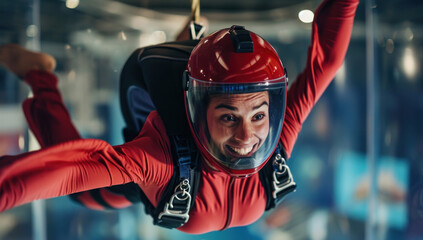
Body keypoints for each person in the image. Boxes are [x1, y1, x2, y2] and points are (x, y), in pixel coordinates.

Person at [0, 0, 359, 234]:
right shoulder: (160, 159)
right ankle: (40, 75)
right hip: (163, 141)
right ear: (200, 112)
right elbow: (72, 167)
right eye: (229, 117)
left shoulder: (276, 142)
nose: (248, 135)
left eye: (259, 114)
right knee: (90, 195)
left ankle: (186, 40)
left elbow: (325, 62)